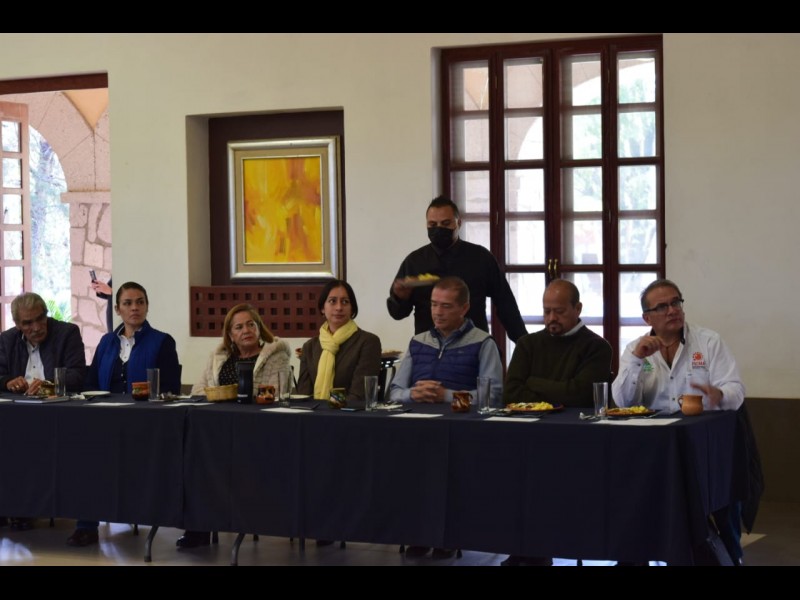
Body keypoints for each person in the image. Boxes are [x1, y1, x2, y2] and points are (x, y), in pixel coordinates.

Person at [612, 278, 747, 565]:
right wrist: (636, 360)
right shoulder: (636, 349)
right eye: (662, 306)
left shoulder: (708, 341)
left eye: (676, 302)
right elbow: (622, 402)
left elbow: (736, 392)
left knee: (722, 505)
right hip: (656, 449)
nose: (672, 310)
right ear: (647, 318)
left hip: (704, 445)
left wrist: (719, 394)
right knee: (636, 502)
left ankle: (730, 557)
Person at [388, 276, 503, 560]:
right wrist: (413, 394)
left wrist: (447, 396)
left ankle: (447, 536)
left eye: (446, 306)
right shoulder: (418, 342)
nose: (437, 312)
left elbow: (492, 396)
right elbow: (394, 392)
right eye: (433, 305)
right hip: (417, 429)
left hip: (461, 431)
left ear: (464, 308)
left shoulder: (483, 342)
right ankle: (418, 533)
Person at [500, 279, 613, 566]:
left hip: (575, 441)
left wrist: (534, 382)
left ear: (578, 309)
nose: (551, 318)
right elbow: (511, 394)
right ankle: (524, 548)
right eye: (546, 311)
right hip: (527, 439)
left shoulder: (596, 347)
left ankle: (547, 547)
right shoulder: (527, 344)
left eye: (559, 311)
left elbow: (581, 395)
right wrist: (559, 391)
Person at [67, 281, 181, 547]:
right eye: (128, 303)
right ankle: (86, 526)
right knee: (85, 454)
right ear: (117, 309)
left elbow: (171, 388)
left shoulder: (162, 341)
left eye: (140, 302)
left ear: (147, 306)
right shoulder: (107, 342)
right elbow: (91, 383)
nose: (134, 308)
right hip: (106, 421)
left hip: (145, 423)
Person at [179, 304, 292, 549]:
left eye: (251, 325)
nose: (246, 331)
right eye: (238, 327)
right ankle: (199, 527)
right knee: (196, 458)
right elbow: (198, 391)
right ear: (230, 335)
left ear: (259, 328)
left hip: (260, 433)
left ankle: (240, 520)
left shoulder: (276, 356)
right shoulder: (219, 358)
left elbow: (279, 394)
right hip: (219, 432)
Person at [0, 292, 86, 532]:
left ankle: (26, 508)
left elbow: (78, 375)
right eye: (28, 323)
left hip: (58, 416)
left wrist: (48, 385)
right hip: (17, 416)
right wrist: (7, 382)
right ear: (18, 324)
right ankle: (9, 506)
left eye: (40, 318)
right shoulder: (7, 340)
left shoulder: (66, 333)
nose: (37, 327)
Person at [387, 195, 527, 343]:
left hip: (474, 345)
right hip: (430, 347)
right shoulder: (414, 262)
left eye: (445, 223)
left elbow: (506, 304)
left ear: (458, 223)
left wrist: (524, 343)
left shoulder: (480, 258)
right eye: (432, 224)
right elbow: (397, 314)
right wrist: (399, 298)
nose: (439, 229)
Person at [296, 279, 381, 408]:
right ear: (322, 308)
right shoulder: (309, 347)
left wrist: (329, 409)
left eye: (345, 302)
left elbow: (359, 395)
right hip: (314, 415)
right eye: (332, 301)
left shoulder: (368, 342)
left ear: (352, 308)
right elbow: (303, 396)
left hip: (350, 415)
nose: (339, 307)